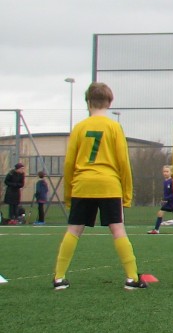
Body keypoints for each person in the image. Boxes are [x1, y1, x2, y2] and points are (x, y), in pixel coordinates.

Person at [51, 82, 147, 290]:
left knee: (74, 230)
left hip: (83, 184)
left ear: (88, 102)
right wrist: (127, 194)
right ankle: (132, 278)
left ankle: (59, 277)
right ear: (110, 102)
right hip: (109, 185)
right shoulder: (114, 127)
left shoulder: (79, 127)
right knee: (118, 230)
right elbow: (123, 162)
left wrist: (68, 193)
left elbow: (69, 163)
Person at [148, 165, 173, 234]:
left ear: (171, 172)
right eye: (164, 171)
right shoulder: (165, 181)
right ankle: (156, 230)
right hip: (168, 202)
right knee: (160, 213)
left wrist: (166, 198)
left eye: (167, 171)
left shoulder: (172, 181)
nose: (165, 173)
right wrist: (165, 199)